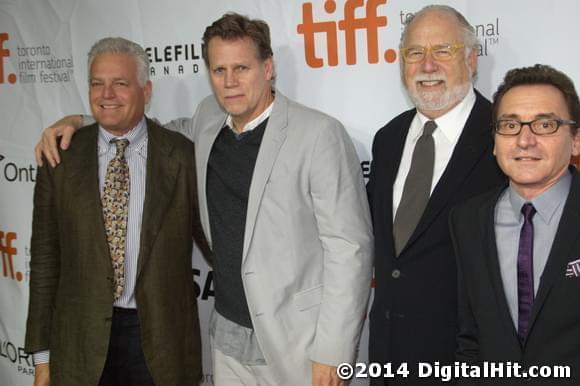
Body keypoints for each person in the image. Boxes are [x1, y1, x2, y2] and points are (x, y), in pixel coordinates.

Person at [34, 13, 373, 386]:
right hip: (226, 337)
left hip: (297, 339)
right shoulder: (207, 120)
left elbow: (349, 249)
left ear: (269, 67)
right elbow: (138, 128)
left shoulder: (319, 134)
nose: (229, 83)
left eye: (241, 68)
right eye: (218, 70)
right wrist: (80, 120)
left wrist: (332, 353)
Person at [25, 37, 210, 386]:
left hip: (162, 345)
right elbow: (45, 261)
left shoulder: (183, 157)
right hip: (79, 345)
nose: (106, 94)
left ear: (146, 90)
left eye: (120, 84)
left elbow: (218, 244)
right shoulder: (60, 158)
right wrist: (42, 358)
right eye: (97, 83)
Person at [366, 5, 505, 384]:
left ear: (472, 58)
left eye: (442, 51)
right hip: (387, 359)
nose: (427, 65)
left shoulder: (505, 138)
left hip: (469, 363)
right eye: (415, 53)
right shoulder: (388, 138)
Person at [450, 64, 580, 386]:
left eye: (545, 124)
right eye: (509, 125)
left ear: (576, 141)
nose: (524, 140)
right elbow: (470, 339)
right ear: (494, 142)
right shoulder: (467, 220)